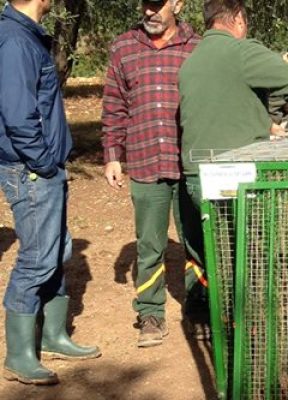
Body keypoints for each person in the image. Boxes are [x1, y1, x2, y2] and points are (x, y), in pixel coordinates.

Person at [177, 0, 288, 333]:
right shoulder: (241, 52)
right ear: (238, 19)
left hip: (196, 176)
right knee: (251, 250)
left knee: (216, 248)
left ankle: (216, 316)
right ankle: (250, 329)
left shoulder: (191, 61)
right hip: (236, 174)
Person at [0, 0, 101, 385]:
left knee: (57, 250)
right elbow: (17, 113)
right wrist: (42, 162)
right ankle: (19, 355)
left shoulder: (26, 36)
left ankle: (55, 337)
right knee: (36, 258)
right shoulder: (14, 40)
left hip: (42, 168)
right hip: (29, 170)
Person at [101, 0, 201, 347]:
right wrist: (113, 155)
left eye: (158, 4)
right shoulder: (124, 46)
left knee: (197, 240)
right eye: (145, 4)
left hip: (189, 163)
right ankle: (151, 313)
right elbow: (114, 104)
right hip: (145, 159)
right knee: (149, 245)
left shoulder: (198, 46)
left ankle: (199, 308)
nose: (149, 12)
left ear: (178, 4)